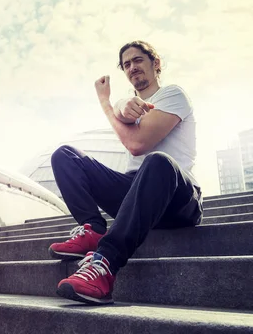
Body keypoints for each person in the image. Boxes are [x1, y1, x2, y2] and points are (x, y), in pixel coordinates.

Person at [48, 40, 202, 305]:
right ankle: (93, 229)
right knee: (65, 156)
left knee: (156, 162)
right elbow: (131, 132)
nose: (132, 67)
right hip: (138, 191)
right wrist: (119, 106)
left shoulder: (173, 94)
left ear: (156, 64)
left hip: (178, 195)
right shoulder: (128, 108)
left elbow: (136, 144)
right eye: (126, 64)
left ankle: (105, 264)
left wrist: (106, 103)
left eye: (138, 60)